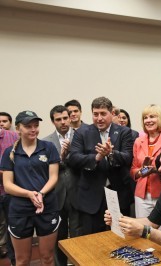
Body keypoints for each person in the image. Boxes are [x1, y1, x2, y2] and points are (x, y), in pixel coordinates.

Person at [0, 111, 60, 265]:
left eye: (36, 126)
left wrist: (40, 193)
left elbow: (53, 177)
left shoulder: (48, 147)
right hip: (20, 211)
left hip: (47, 208)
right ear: (18, 128)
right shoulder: (10, 152)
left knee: (47, 257)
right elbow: (7, 185)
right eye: (28, 126)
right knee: (22, 260)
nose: (33, 129)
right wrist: (29, 194)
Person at [69, 97, 134, 235]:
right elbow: (73, 158)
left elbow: (128, 158)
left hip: (118, 193)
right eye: (95, 114)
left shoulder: (124, 132)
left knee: (120, 237)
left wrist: (111, 153)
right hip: (90, 196)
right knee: (92, 241)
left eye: (103, 114)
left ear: (112, 113)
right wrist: (97, 157)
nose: (99, 118)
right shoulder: (82, 132)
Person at [43, 105, 80, 266]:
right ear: (53, 122)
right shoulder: (45, 142)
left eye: (66, 118)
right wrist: (60, 158)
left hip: (79, 192)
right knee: (59, 236)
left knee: (79, 235)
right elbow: (44, 169)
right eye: (58, 119)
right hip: (56, 194)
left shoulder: (82, 136)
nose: (63, 122)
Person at [130, 104, 161, 218]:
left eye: (152, 117)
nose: (148, 120)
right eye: (145, 117)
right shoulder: (138, 141)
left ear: (160, 119)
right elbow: (133, 169)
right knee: (143, 233)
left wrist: (154, 169)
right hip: (142, 195)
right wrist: (143, 171)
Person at [0, 125, 18, 262]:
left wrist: (6, 172)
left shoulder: (12, 136)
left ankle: (14, 260)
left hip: (10, 192)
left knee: (12, 227)